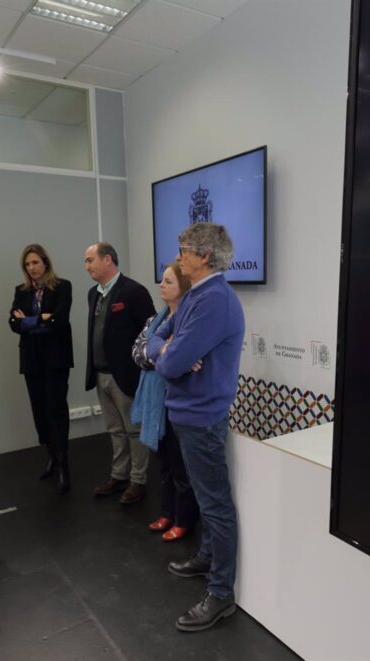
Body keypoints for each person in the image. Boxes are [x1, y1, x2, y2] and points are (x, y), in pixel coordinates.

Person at [144, 223, 245, 632]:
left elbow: (166, 362)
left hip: (202, 417)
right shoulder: (197, 296)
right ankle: (206, 559)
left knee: (215, 504)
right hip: (188, 412)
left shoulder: (214, 300)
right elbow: (157, 340)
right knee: (206, 499)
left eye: (184, 249)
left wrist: (170, 353)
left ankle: (221, 593)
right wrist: (169, 349)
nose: (179, 255)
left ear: (204, 256)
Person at [131, 262, 199, 542]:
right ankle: (166, 512)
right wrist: (165, 352)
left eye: (168, 281)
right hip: (156, 403)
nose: (162, 285)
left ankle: (184, 519)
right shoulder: (154, 321)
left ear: (183, 286)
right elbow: (137, 352)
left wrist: (161, 354)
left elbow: (182, 363)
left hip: (178, 404)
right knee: (164, 466)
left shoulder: (191, 322)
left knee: (181, 469)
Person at [84, 242, 156, 504]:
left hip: (126, 375)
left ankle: (138, 480)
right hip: (101, 373)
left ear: (108, 260)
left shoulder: (134, 291)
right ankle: (119, 475)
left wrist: (141, 370)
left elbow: (151, 331)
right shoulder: (94, 294)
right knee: (115, 429)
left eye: (91, 260)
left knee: (134, 430)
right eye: (86, 261)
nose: (87, 266)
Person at [9, 244, 74, 494]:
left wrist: (28, 321)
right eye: (27, 264)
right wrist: (40, 319)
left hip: (55, 360)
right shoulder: (22, 291)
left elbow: (60, 321)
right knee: (39, 410)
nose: (32, 268)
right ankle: (51, 457)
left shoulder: (62, 286)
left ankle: (63, 463)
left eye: (35, 262)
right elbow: (13, 323)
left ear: (45, 263)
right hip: (32, 360)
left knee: (55, 409)